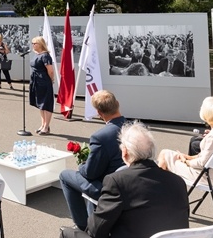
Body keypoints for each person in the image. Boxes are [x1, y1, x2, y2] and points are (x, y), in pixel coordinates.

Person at [60, 122, 189, 238]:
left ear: (125, 152)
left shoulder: (117, 182)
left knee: (67, 233)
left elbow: (95, 231)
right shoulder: (178, 182)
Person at [59, 90, 126, 230]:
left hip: (109, 189)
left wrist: (82, 165)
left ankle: (83, 226)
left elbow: (90, 173)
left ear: (99, 113)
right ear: (117, 104)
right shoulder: (137, 126)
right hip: (131, 182)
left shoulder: (101, 137)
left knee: (65, 176)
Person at [158, 96, 213, 185]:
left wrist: (186, 161)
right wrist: (189, 157)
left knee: (164, 154)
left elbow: (202, 163)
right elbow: (209, 156)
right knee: (170, 155)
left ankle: (157, 188)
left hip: (206, 178)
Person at [29, 36, 55, 134]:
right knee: (40, 104)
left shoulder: (45, 56)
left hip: (44, 81)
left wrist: (51, 80)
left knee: (46, 104)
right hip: (36, 81)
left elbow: (50, 71)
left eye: (35, 43)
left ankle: (46, 126)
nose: (33, 45)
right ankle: (43, 124)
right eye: (32, 43)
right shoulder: (37, 54)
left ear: (40, 44)